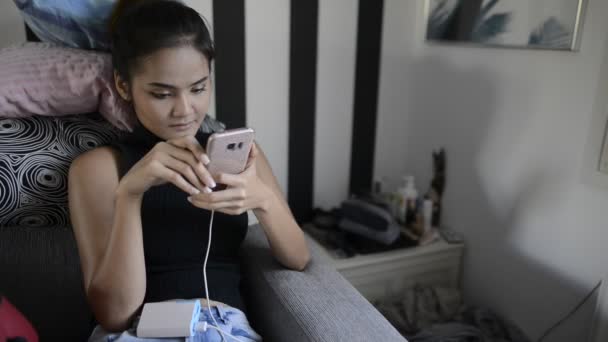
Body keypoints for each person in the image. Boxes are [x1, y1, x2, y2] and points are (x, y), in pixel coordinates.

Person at [68, 1, 310, 341]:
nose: (185, 110)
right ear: (124, 87)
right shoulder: (98, 168)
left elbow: (298, 258)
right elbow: (114, 314)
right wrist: (130, 195)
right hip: (140, 333)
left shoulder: (241, 155)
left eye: (198, 88)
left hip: (226, 331)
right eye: (162, 94)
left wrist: (264, 200)